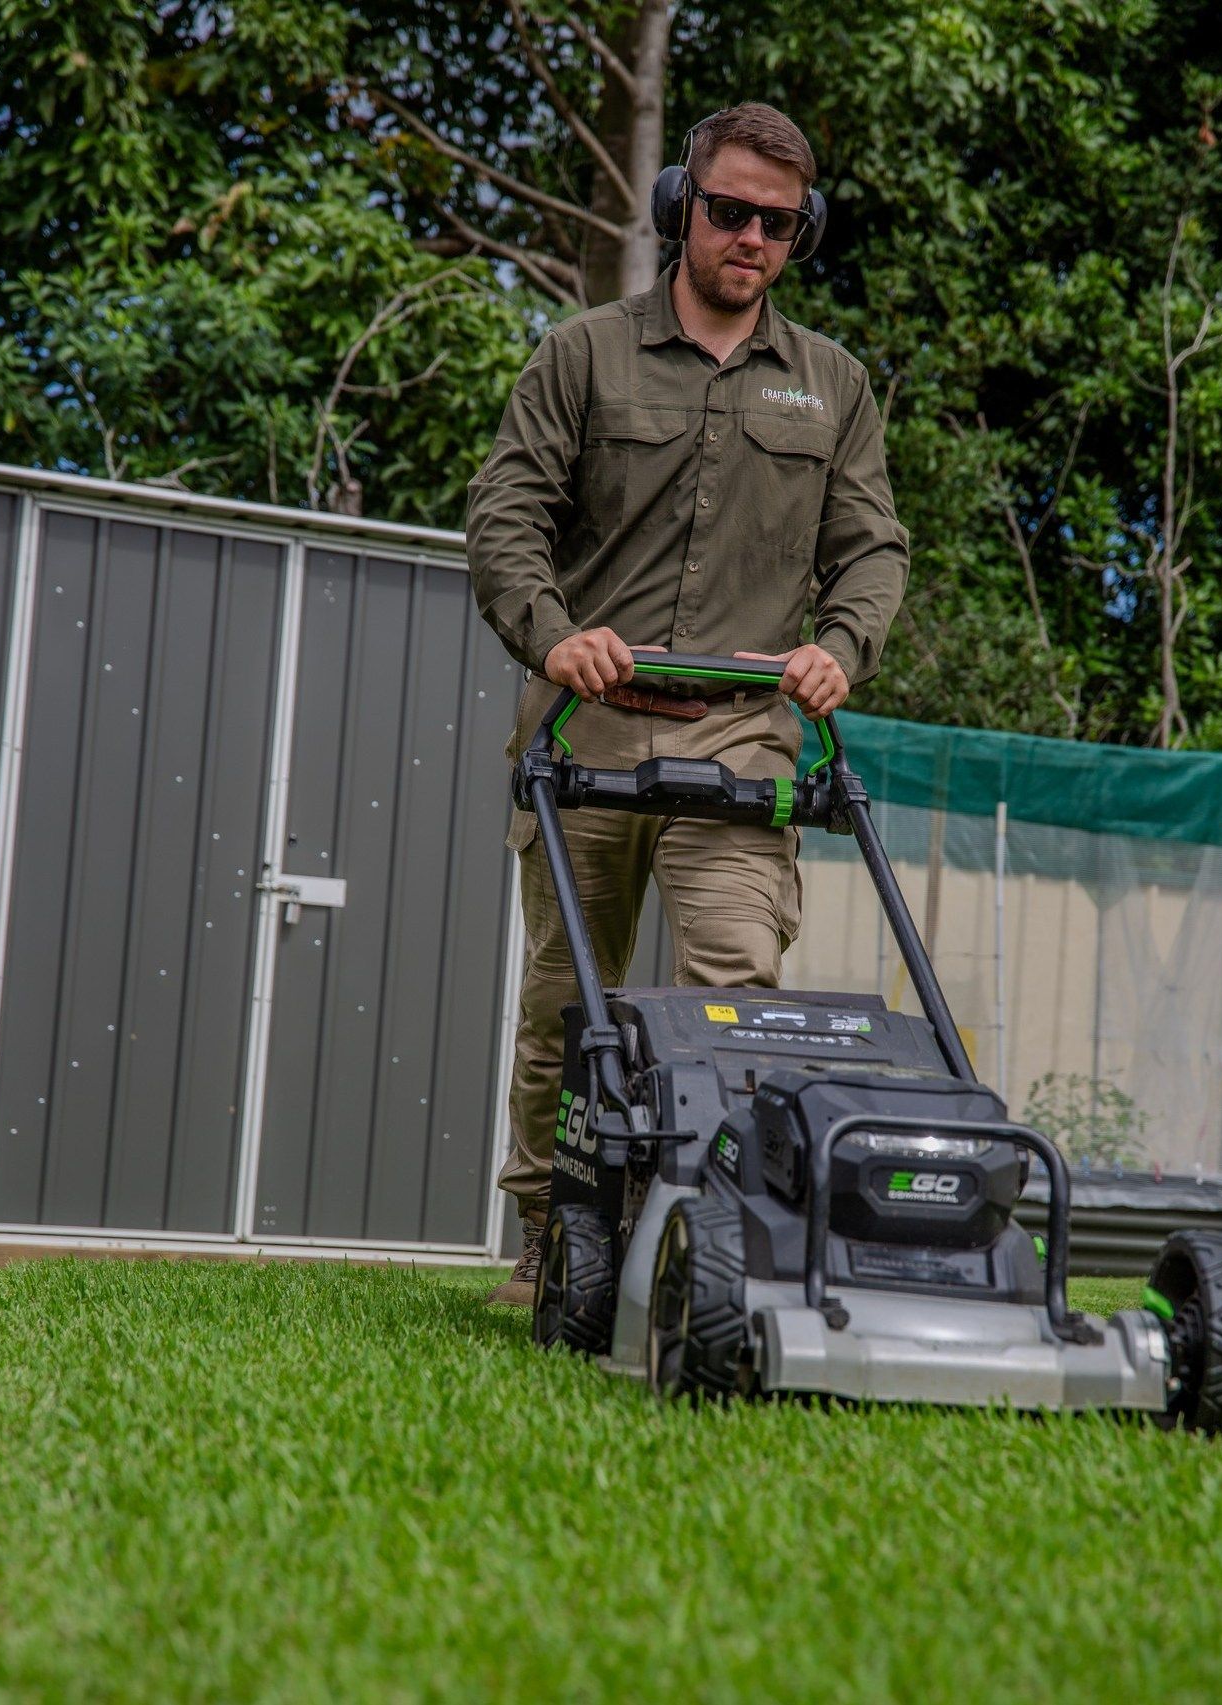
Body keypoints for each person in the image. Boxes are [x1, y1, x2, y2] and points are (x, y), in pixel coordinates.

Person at [466, 102, 909, 1303]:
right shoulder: (584, 354)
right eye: (728, 212)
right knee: (570, 1002)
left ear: (799, 232)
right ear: (681, 209)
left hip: (743, 734)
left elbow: (873, 550)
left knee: (736, 1000)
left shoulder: (835, 388)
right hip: (592, 724)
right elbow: (505, 517)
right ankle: (551, 1239)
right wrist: (556, 640)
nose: (749, 238)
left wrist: (841, 646)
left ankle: (716, 1241)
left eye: (776, 222)